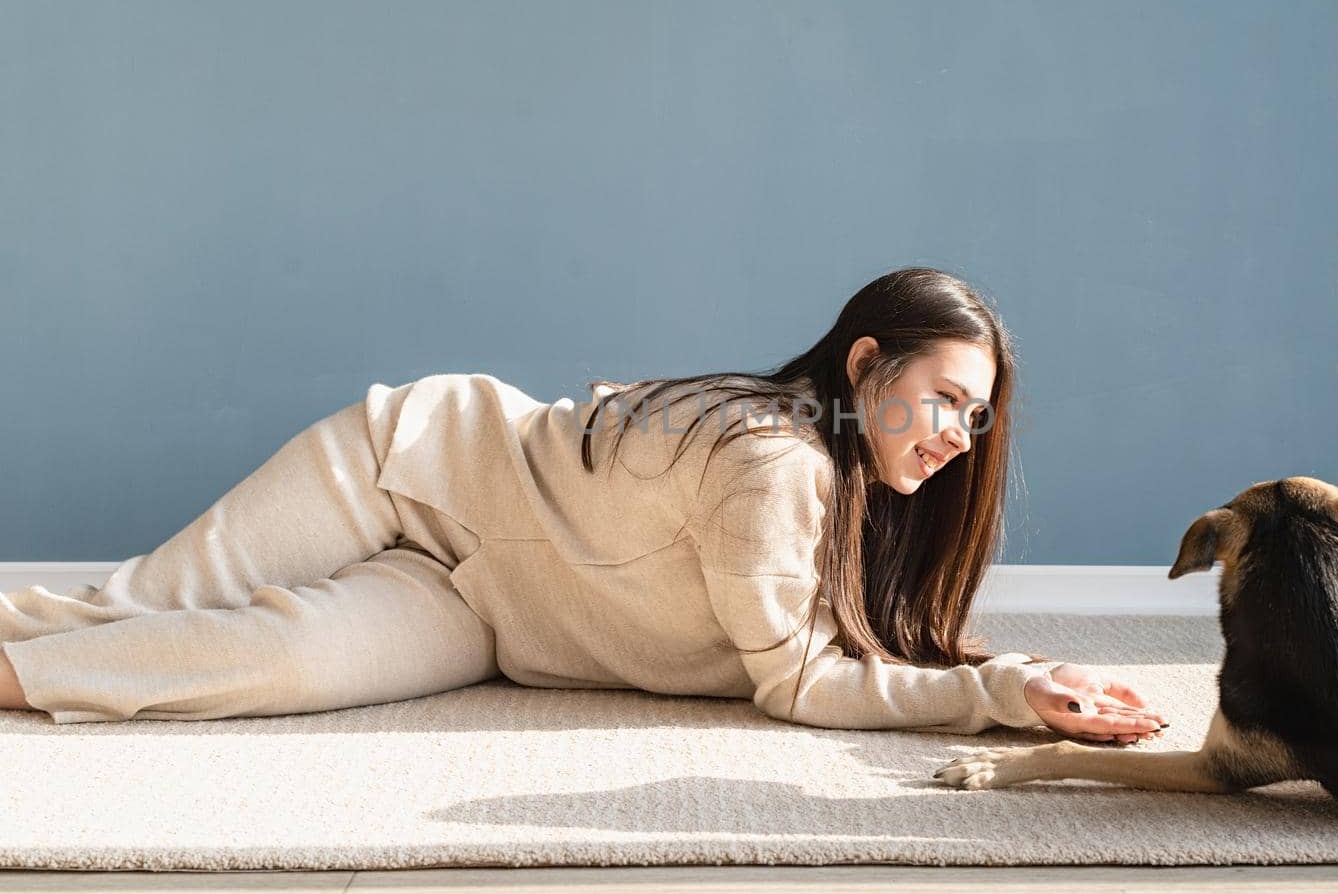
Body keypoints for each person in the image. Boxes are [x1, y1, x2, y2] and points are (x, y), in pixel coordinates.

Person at [0, 266, 1167, 742]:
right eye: (946, 400)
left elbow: (841, 652)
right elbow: (800, 684)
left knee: (274, 667)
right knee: (131, 605)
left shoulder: (857, 489)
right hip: (414, 464)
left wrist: (1016, 677)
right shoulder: (782, 461)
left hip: (494, 615)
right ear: (865, 364)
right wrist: (994, 699)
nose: (960, 439)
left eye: (978, 419)